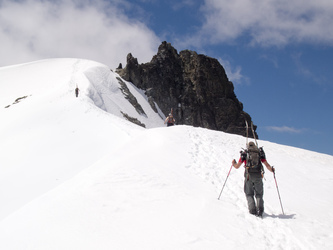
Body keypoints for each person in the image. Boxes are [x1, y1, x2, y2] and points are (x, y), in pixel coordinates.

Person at [232, 141, 274, 217]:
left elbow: (237, 166)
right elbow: (267, 165)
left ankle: (252, 210)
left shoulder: (245, 154)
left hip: (248, 176)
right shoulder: (259, 153)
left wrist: (233, 164)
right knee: (259, 194)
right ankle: (260, 210)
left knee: (249, 193)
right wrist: (272, 170)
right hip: (258, 175)